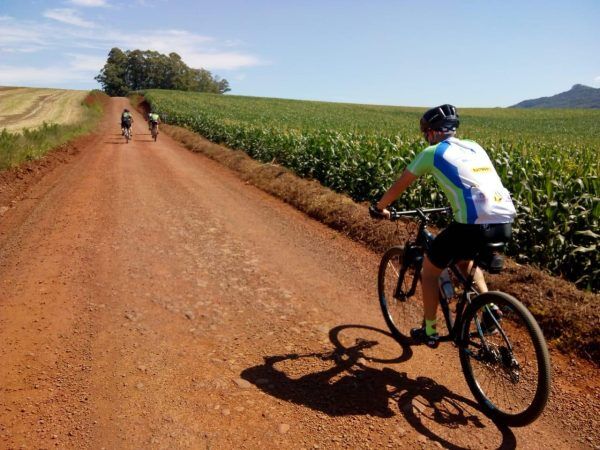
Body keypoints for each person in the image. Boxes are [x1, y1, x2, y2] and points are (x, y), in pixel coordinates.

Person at [371, 104, 516, 348]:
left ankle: (430, 331)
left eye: (425, 133)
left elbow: (401, 184)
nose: (426, 138)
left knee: (430, 270)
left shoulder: (433, 152)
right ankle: (489, 308)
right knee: (464, 259)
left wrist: (379, 207)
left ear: (432, 132)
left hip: (472, 225)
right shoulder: (474, 146)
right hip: (504, 221)